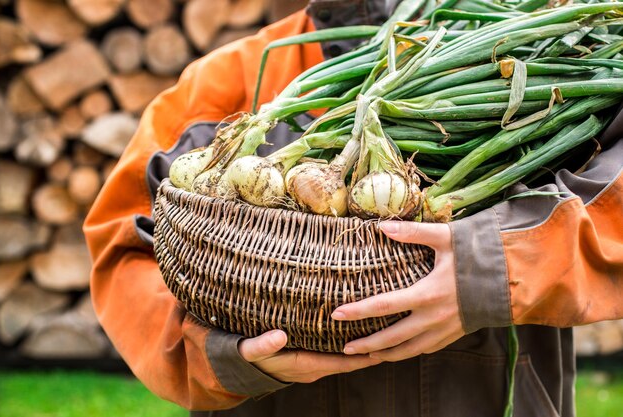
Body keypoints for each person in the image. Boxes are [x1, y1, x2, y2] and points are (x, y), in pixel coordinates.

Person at [83, 1, 623, 416]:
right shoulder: (228, 79)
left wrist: (488, 271)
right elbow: (126, 250)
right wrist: (222, 355)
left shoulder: (538, 49)